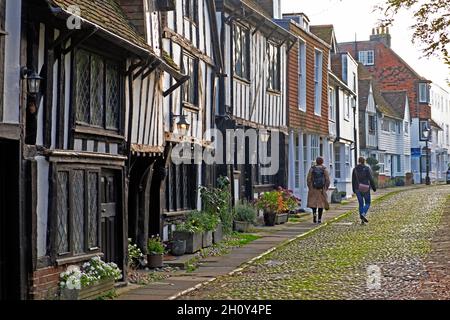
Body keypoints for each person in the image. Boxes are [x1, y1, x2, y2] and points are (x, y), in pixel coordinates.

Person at [352, 157, 377, 225]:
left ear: (358, 161)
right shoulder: (366, 168)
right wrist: (374, 187)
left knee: (361, 204)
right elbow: (370, 178)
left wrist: (353, 189)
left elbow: (353, 180)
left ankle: (362, 220)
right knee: (368, 203)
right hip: (365, 187)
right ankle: (363, 214)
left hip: (357, 188)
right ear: (364, 161)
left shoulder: (355, 169)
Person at [307, 157, 330, 224]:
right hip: (321, 189)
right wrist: (325, 188)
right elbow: (327, 180)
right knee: (321, 204)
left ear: (316, 162)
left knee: (313, 204)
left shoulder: (312, 169)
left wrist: (310, 187)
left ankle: (314, 216)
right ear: (322, 162)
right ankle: (319, 219)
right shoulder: (324, 169)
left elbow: (308, 179)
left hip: (313, 189)